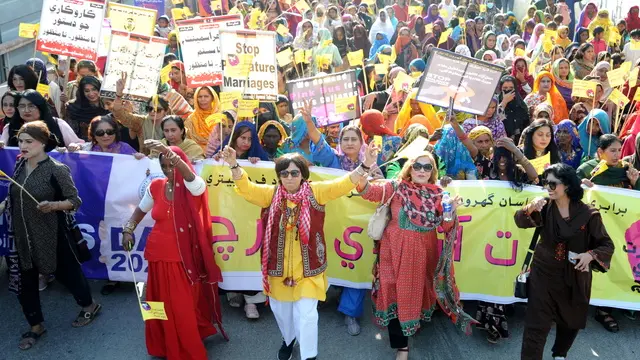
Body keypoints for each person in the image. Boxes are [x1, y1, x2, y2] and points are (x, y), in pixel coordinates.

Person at [219, 135, 379, 360]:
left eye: (294, 172)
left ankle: (309, 355)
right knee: (282, 314)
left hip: (308, 268)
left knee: (307, 315)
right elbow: (246, 187)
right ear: (279, 176)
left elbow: (345, 183)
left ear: (303, 175)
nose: (289, 177)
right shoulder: (271, 195)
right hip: (278, 269)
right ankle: (288, 340)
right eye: (284, 173)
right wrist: (234, 164)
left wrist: (366, 164)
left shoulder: (317, 192)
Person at [356, 150, 475, 360]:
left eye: (427, 167)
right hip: (392, 251)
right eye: (417, 166)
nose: (421, 170)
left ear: (433, 171)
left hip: (421, 255)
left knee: (412, 295)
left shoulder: (439, 195)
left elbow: (446, 228)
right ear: (409, 168)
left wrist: (450, 211)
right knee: (392, 291)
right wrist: (366, 166)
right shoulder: (395, 187)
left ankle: (410, 327)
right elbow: (367, 192)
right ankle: (401, 346)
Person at [121, 144, 225, 359]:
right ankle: (161, 345)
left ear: (183, 164)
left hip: (182, 259)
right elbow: (140, 210)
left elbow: (193, 183)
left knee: (181, 306)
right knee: (155, 302)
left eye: (173, 164)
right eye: (165, 166)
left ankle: (187, 348)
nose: (170, 170)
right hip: (157, 254)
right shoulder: (156, 186)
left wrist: (172, 156)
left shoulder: (193, 186)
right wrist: (128, 230)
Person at [7, 121, 101, 350]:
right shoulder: (20, 165)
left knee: (67, 273)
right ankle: (36, 324)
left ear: (43, 143)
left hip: (52, 233)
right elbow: (17, 194)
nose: (23, 145)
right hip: (23, 234)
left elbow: (75, 201)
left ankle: (89, 306)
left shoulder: (57, 169)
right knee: (26, 280)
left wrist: (55, 205)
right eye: (20, 141)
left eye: (29, 141)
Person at [515, 163, 614, 360]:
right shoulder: (543, 207)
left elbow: (606, 245)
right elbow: (519, 221)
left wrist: (590, 255)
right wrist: (528, 208)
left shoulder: (589, 214)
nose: (547, 188)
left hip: (575, 276)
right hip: (543, 273)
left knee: (571, 321)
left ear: (567, 185)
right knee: (536, 325)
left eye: (552, 184)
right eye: (545, 183)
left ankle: (560, 354)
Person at [0, 90, 82, 148]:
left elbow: (79, 145)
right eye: (22, 106)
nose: (26, 110)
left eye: (31, 106)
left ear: (41, 107)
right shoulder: (9, 128)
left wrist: (75, 146)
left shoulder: (58, 124)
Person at [112, 74, 167, 154]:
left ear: (166, 111)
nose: (152, 112)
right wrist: (118, 95)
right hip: (145, 161)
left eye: (157, 110)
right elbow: (119, 114)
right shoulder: (141, 121)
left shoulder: (172, 124)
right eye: (149, 108)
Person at [64, 76, 109, 140]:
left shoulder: (109, 106)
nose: (91, 93)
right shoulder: (73, 107)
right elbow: (70, 133)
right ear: (82, 92)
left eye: (94, 89)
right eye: (87, 91)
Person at [184, 87, 220, 151]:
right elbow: (187, 139)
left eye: (206, 96)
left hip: (217, 152)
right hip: (195, 152)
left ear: (212, 98)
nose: (202, 99)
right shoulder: (191, 118)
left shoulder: (220, 116)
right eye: (200, 97)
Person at [498, 75, 530, 143]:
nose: (508, 90)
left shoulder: (520, 103)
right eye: (505, 88)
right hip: (501, 140)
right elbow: (496, 118)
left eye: (511, 88)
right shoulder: (496, 102)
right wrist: (504, 102)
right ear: (501, 88)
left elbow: (526, 122)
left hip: (519, 141)